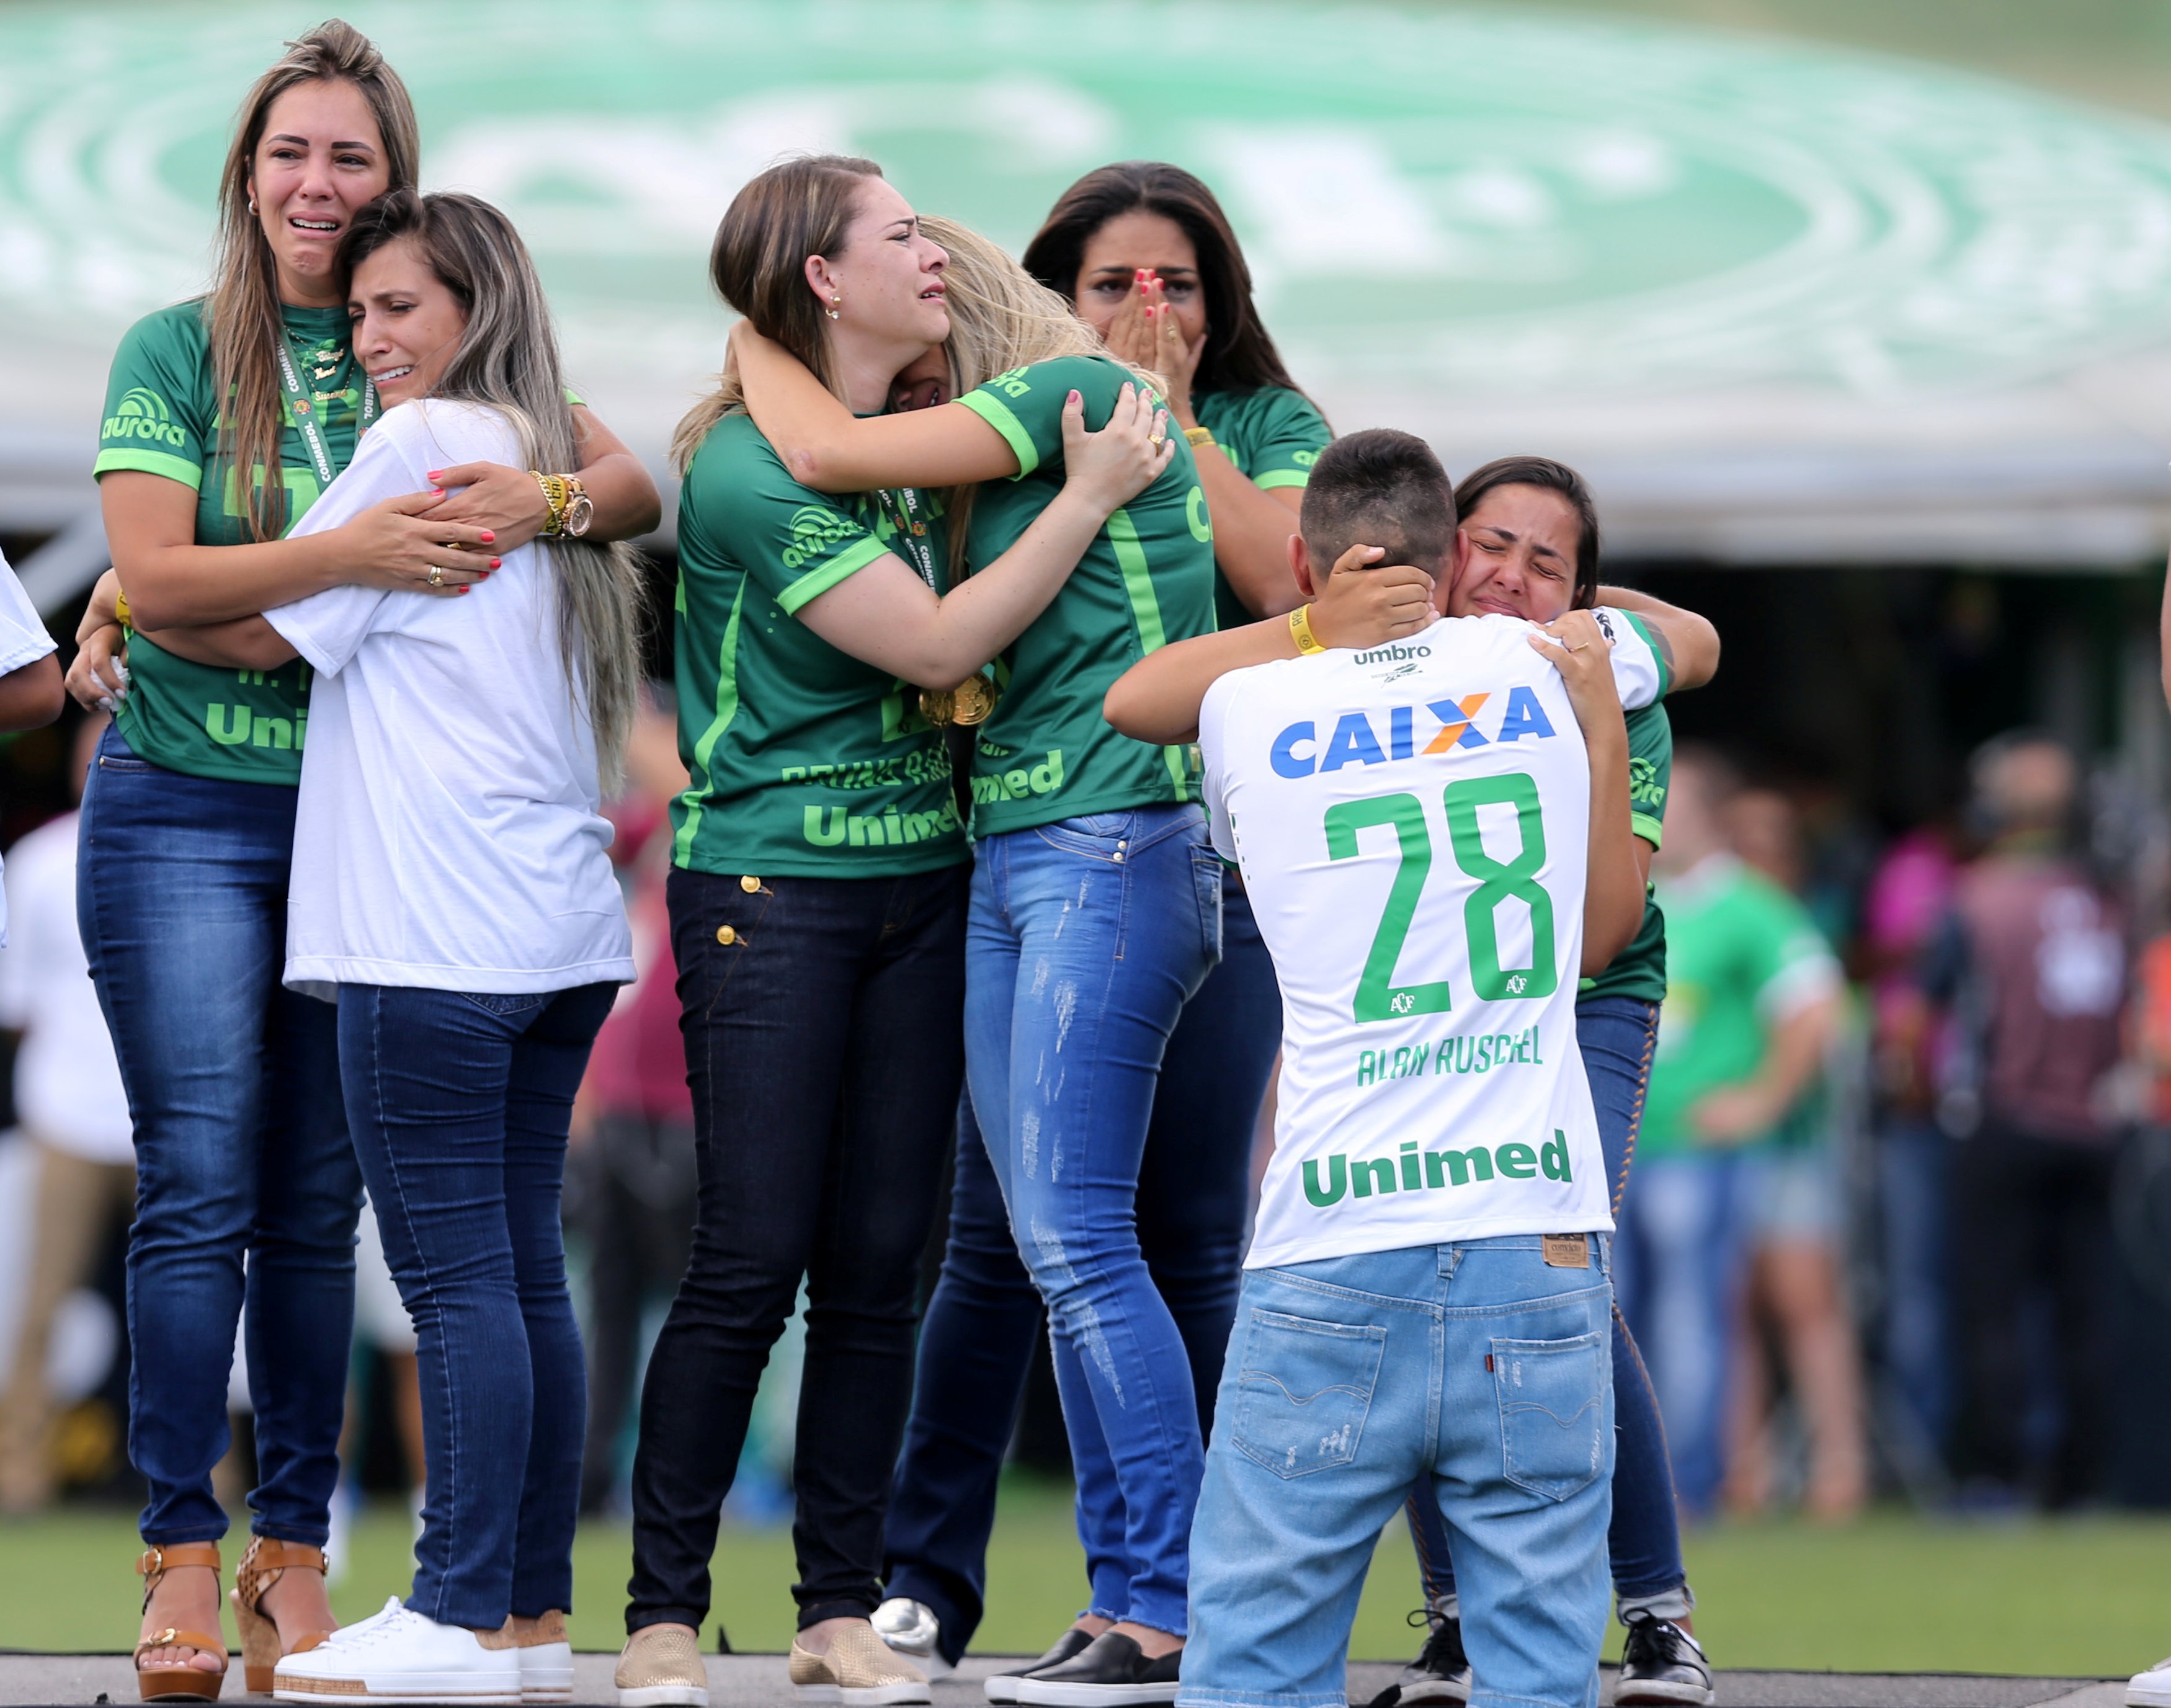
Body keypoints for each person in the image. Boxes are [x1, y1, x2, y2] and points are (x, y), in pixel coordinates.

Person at [64, 24, 659, 1701]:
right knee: (199, 1186)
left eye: (351, 157)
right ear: (244, 175)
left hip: (370, 846)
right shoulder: (174, 348)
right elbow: (157, 575)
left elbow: (622, 478)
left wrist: (528, 508)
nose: (318, 188)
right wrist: (350, 556)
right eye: (290, 154)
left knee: (329, 1213)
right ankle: (184, 1549)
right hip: (187, 803)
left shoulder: (433, 348)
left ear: (399, 185)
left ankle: (295, 1560)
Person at [613, 156, 1175, 1708]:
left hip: (925, 884)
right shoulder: (745, 466)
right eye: (897, 234)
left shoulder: (912, 433)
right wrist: (1084, 500)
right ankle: (664, 1611)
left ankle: (838, 1607)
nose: (930, 253)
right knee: (750, 1259)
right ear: (818, 278)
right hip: (769, 894)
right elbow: (932, 641)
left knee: (881, 1268)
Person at [1107, 456, 1719, 1708]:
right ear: (1446, 558)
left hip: (1330, 1229)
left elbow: (1130, 702)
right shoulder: (1557, 670)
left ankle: (1617, 1610)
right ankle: (1642, 1616)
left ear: (1310, 568)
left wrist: (1306, 630)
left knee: (1255, 1673)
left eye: (1546, 563)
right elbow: (1690, 662)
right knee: (1538, 1673)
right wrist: (1596, 698)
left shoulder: (1251, 704)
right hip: (1523, 1228)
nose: (1514, 576)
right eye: (1496, 546)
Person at [873, 161, 1325, 1683]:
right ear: (1048, 290)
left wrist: (1161, 414)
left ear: (1223, 303)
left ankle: (1181, 1592)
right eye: (1114, 281)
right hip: (1022, 843)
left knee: (1159, 1234)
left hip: (1183, 851)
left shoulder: (1262, 428)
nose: (1147, 307)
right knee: (1017, 1236)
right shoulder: (1024, 409)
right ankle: (940, 1581)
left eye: (1178, 283)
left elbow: (1294, 582)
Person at [1616, 749, 1842, 1523]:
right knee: (1621, 1317)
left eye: (1664, 803)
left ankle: (1689, 1482)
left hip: (1695, 1150)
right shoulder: (1633, 892)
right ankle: (1635, 1481)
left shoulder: (1749, 904)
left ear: (1705, 814)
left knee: (1688, 1316)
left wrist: (1760, 1100)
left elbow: (1815, 1005)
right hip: (1621, 1150)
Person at [1924, 732, 2125, 1509]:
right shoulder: (2105, 897)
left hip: (2004, 1119)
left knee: (1993, 1307)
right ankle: (2080, 1481)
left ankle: (1999, 1474)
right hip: (2095, 1126)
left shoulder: (1977, 898)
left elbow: (1927, 1008)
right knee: (2086, 1309)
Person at [1719, 788, 1868, 1521]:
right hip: (1708, 1150)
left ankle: (1839, 1468)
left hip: (1789, 1145)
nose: (1759, 854)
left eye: (1772, 839)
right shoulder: (1720, 908)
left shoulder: (1790, 918)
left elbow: (1822, 1016)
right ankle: (1746, 1470)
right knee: (1730, 1308)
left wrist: (1765, 1098)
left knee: (1806, 1303)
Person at [0, 713, 132, 1515]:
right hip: (66, 1114)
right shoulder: (40, 858)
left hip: (166, 1113)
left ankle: (213, 1476)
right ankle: (19, 1471)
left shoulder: (186, 848)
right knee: (38, 1303)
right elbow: (16, 1006)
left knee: (196, 1303)